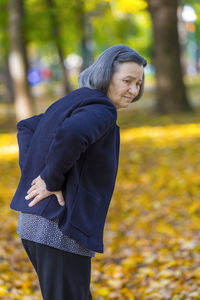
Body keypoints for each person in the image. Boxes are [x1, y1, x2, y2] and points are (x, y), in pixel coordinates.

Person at [10, 44, 147, 300]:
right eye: (127, 81)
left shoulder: (75, 100)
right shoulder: (102, 109)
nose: (133, 90)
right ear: (106, 74)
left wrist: (38, 174)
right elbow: (72, 134)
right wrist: (49, 179)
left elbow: (27, 127)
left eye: (138, 83)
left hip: (35, 224)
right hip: (58, 228)